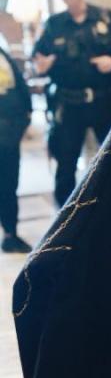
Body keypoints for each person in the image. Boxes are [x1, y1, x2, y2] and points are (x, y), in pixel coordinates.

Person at [33, 0, 111, 207]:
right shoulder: (53, 24)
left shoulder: (108, 18)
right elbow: (37, 56)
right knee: (66, 164)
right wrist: (43, 63)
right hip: (69, 104)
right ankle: (63, 221)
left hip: (105, 101)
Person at [0, 37, 33, 253]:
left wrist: (25, 116)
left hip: (10, 131)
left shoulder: (2, 52)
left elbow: (19, 84)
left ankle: (10, 233)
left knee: (9, 182)